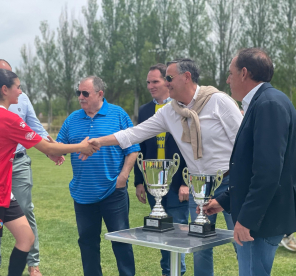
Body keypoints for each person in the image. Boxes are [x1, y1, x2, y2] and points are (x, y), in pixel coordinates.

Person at [84, 59, 242, 276]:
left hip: (230, 182)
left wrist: (242, 182)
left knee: (241, 240)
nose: (167, 83)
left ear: (186, 77)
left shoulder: (219, 101)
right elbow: (134, 133)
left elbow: (243, 143)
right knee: (199, 247)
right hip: (198, 186)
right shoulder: (170, 111)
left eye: (169, 78)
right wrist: (99, 141)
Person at [0, 69, 98, 276]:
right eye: (18, 87)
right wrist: (80, 146)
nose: (20, 91)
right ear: (5, 89)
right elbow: (48, 148)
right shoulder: (8, 119)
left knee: (26, 238)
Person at [203, 48, 296, 276]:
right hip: (259, 218)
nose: (228, 79)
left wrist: (247, 219)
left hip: (260, 223)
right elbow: (248, 167)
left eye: (230, 73)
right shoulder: (265, 101)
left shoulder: (269, 104)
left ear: (244, 73)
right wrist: (225, 201)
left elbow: (268, 171)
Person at [56, 76, 140, 276]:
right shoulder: (72, 119)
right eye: (79, 93)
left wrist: (123, 177)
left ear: (100, 94)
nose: (81, 97)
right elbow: (58, 149)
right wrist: (51, 148)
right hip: (83, 194)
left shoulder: (118, 115)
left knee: (121, 241)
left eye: (85, 93)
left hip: (114, 192)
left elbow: (133, 148)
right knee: (87, 243)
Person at [134, 64, 189, 276]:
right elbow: (140, 147)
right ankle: (167, 271)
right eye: (148, 82)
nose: (150, 86)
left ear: (167, 82)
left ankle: (178, 272)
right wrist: (139, 180)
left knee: (177, 232)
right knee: (159, 230)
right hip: (152, 183)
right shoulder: (145, 111)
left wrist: (186, 181)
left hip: (177, 183)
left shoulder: (182, 108)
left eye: (155, 81)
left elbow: (190, 148)